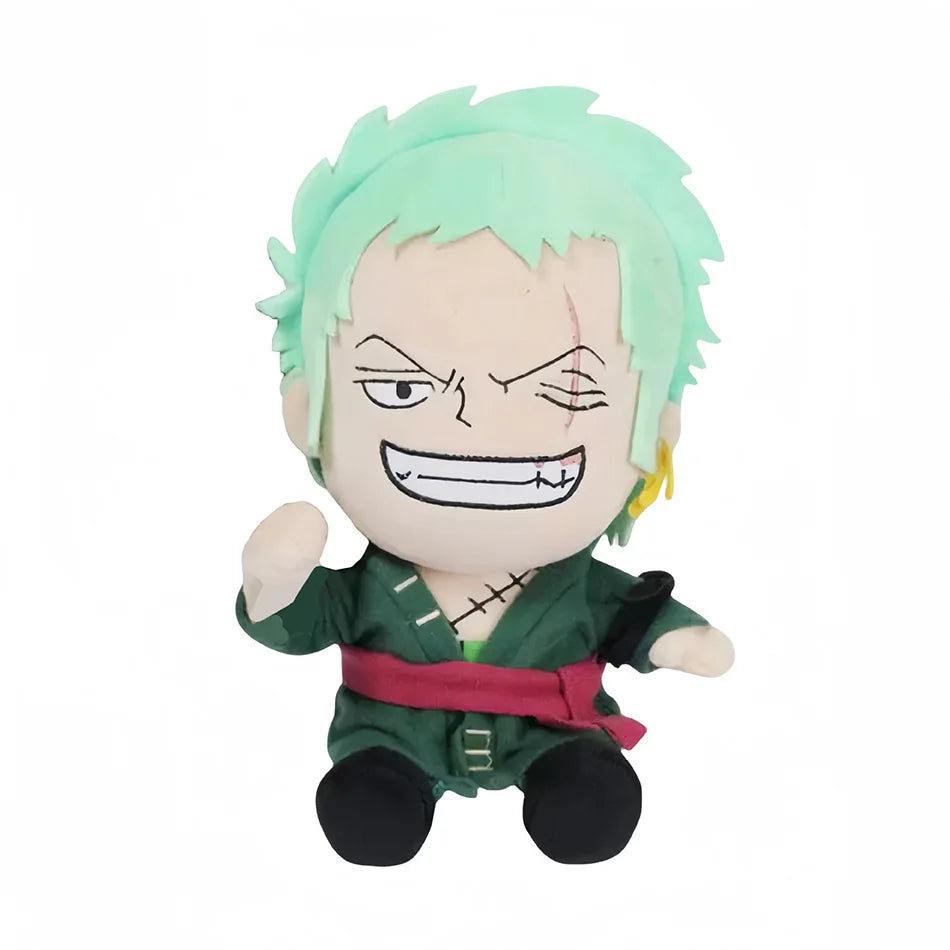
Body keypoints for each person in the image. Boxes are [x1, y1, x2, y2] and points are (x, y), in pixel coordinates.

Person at [237, 86, 734, 865]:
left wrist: (673, 637)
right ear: (308, 411)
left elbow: (627, 615)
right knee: (371, 800)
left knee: (586, 796)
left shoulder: (574, 586)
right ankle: (384, 785)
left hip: (553, 732)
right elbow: (302, 622)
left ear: (655, 434)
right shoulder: (373, 588)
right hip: (389, 734)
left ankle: (568, 780)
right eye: (402, 387)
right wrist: (275, 579)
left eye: (565, 390)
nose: (470, 421)